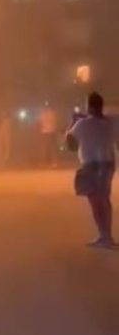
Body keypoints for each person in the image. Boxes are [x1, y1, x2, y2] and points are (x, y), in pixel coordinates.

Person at [65, 91, 116, 247]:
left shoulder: (82, 124)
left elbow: (71, 146)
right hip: (108, 163)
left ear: (89, 106)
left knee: (95, 201)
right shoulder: (111, 122)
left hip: (90, 164)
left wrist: (72, 123)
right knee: (105, 199)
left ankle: (103, 236)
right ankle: (107, 235)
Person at [39, 102, 58, 167]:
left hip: (45, 132)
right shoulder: (52, 113)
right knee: (51, 147)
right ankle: (53, 162)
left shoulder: (43, 114)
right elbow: (54, 122)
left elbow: (41, 122)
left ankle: (45, 162)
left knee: (45, 147)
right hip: (51, 131)